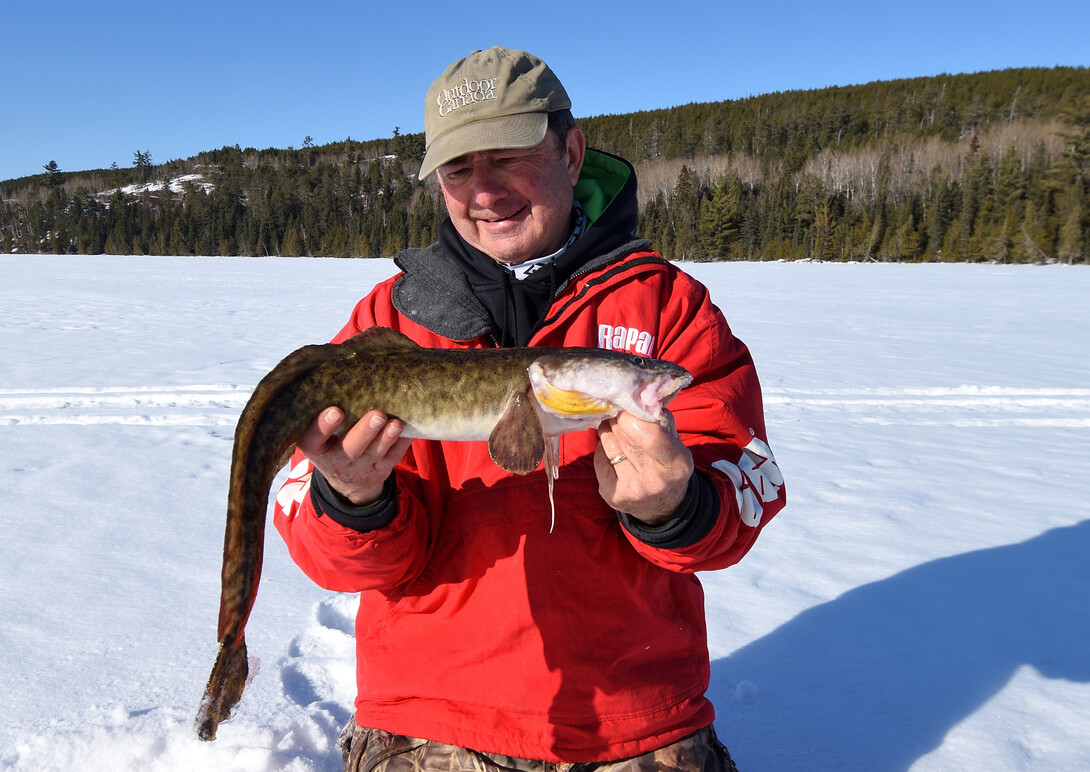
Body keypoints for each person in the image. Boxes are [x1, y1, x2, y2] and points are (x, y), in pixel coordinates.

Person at [273, 46, 785, 771]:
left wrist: (679, 505)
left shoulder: (670, 309)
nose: (484, 191)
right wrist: (353, 498)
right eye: (458, 169)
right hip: (429, 725)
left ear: (571, 153)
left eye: (507, 156)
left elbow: (747, 485)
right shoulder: (386, 326)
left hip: (632, 725)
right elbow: (333, 550)